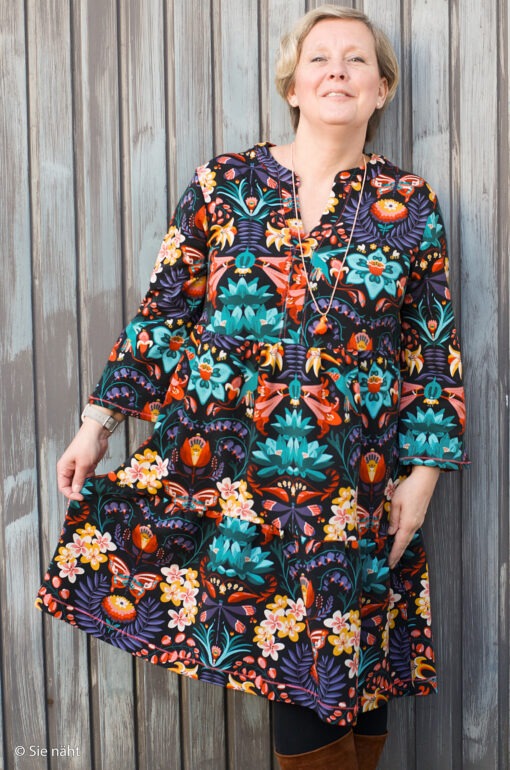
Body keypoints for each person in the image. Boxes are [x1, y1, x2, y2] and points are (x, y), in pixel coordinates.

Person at [36, 5, 468, 769]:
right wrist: (98, 422)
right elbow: (165, 310)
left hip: (353, 486)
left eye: (357, 60)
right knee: (310, 689)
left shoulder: (408, 204)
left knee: (358, 690)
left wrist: (425, 475)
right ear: (293, 86)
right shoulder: (225, 185)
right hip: (230, 477)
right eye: (319, 58)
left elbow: (430, 349)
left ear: (382, 90)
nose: (337, 71)